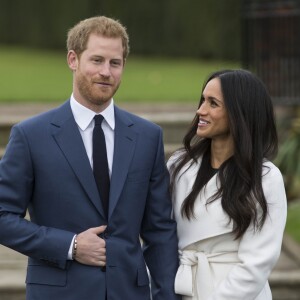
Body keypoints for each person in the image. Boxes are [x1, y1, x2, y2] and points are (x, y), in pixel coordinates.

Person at [0, 16, 180, 300]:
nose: (106, 72)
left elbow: (160, 231)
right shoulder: (30, 135)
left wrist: (167, 295)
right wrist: (70, 245)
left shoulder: (148, 137)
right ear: (73, 59)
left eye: (115, 63)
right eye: (96, 60)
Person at [167, 69, 287, 300]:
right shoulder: (179, 166)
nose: (200, 110)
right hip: (183, 288)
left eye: (213, 103)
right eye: (203, 100)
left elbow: (256, 265)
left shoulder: (266, 178)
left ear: (239, 113)